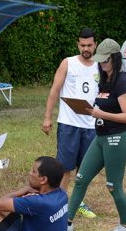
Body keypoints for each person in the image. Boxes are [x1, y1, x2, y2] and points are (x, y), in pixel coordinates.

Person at [65, 38, 126, 231]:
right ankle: (67, 224)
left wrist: (101, 114)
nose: (103, 64)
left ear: (115, 58)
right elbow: (103, 107)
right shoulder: (104, 80)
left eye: (106, 60)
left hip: (118, 139)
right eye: (101, 60)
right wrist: (89, 110)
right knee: (80, 180)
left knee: (113, 185)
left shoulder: (122, 80)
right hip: (101, 137)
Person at [42, 28, 100, 219]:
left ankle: (78, 202)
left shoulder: (100, 66)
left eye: (89, 45)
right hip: (69, 124)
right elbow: (55, 90)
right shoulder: (68, 63)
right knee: (65, 167)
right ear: (78, 45)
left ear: (95, 45)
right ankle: (59, 205)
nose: (86, 48)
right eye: (82, 45)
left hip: (91, 126)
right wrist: (47, 117)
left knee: (84, 170)